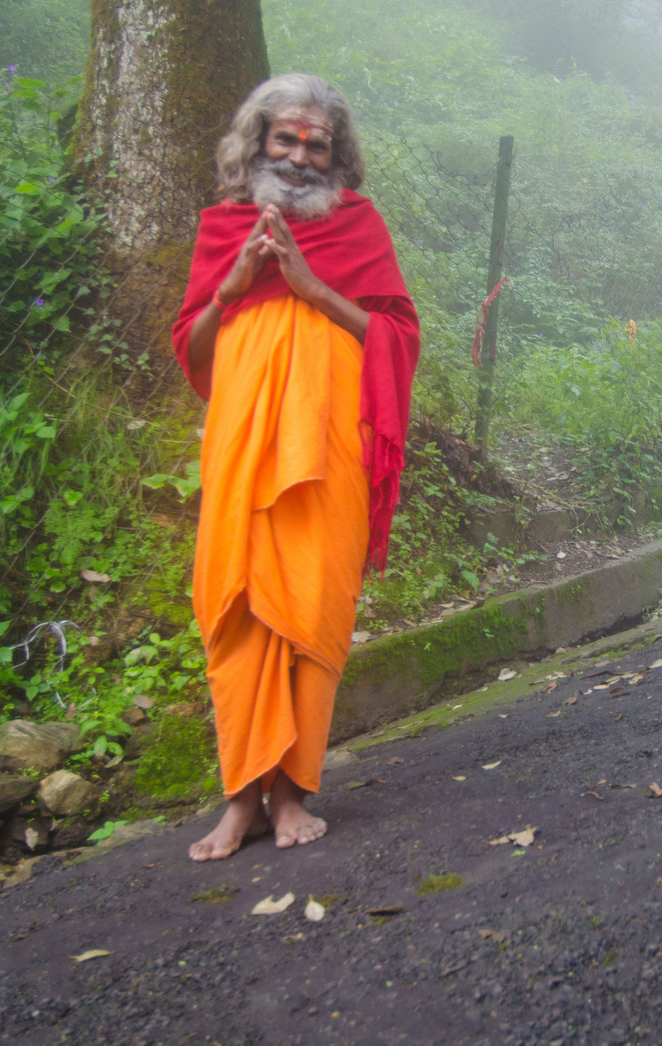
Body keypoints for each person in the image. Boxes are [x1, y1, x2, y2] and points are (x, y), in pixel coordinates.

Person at [170, 73, 420, 861]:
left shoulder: (359, 227)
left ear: (336, 152)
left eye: (318, 144)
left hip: (326, 447)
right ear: (258, 142)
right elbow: (193, 352)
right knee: (235, 606)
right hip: (242, 450)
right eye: (287, 140)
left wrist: (311, 288)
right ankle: (239, 800)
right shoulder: (222, 229)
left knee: (313, 606)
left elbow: (396, 337)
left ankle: (292, 798)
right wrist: (232, 289)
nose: (302, 157)